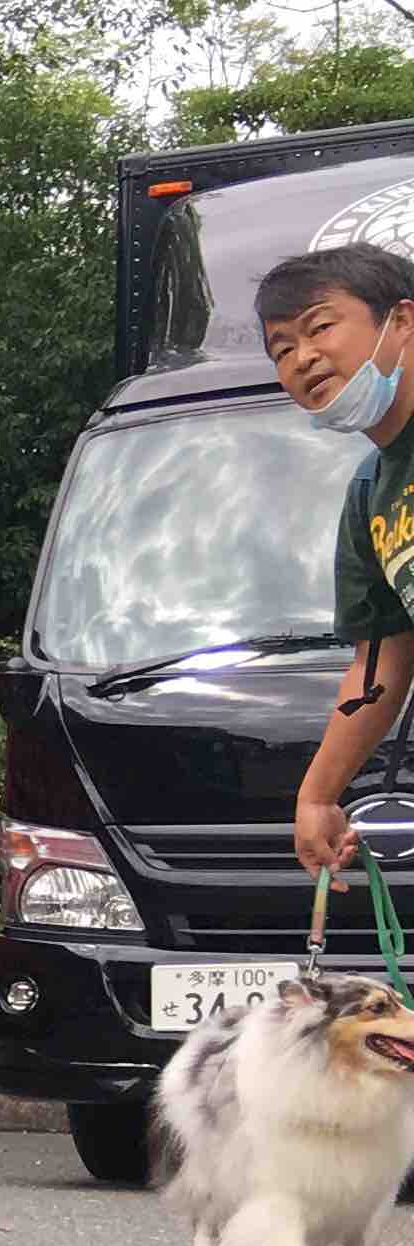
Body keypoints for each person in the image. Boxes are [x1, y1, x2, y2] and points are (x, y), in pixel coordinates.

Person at [263, 241, 414, 872]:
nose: (303, 358)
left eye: (320, 326)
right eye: (282, 349)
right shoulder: (370, 493)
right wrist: (319, 795)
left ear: (401, 321)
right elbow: (381, 657)